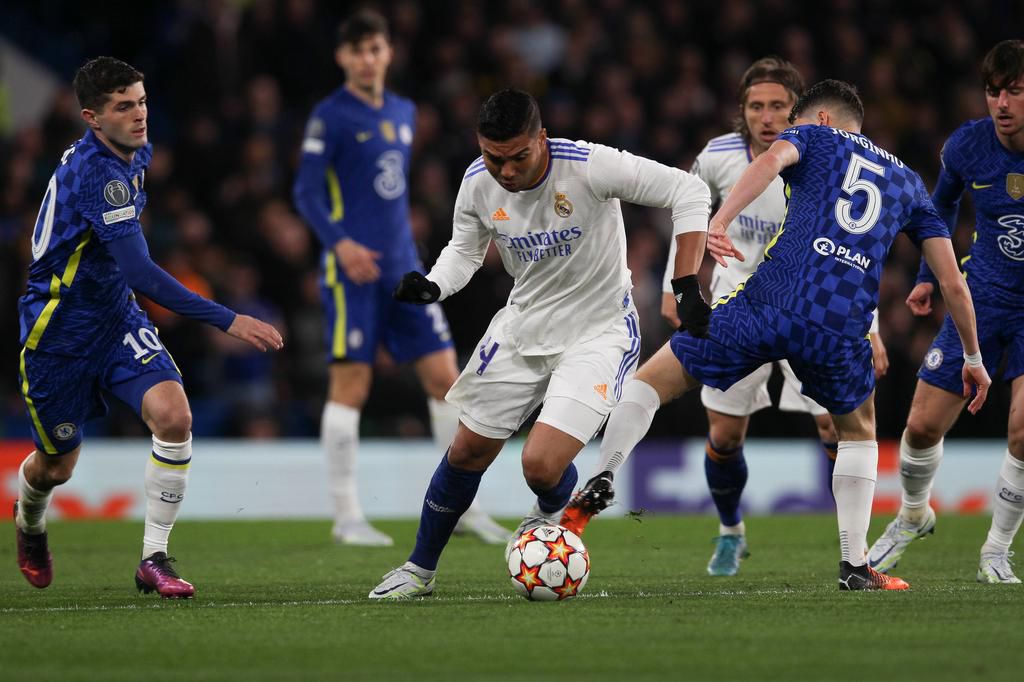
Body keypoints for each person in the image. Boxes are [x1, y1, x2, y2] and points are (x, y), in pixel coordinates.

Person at [564, 79, 991, 591]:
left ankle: (605, 471)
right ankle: (855, 567)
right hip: (839, 325)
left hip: (770, 302)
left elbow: (768, 161)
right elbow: (952, 285)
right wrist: (972, 356)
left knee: (653, 381)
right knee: (858, 431)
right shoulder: (908, 181)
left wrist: (717, 222)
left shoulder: (813, 137)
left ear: (822, 120)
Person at [367, 87, 712, 599]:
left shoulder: (591, 165)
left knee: (540, 466)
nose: (505, 172)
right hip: (523, 325)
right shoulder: (477, 183)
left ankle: (547, 517)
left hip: (598, 332)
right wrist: (436, 284)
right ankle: (419, 570)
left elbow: (690, 191)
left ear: (542, 139)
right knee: (466, 451)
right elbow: (464, 250)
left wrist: (683, 284)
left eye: (518, 157)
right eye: (493, 158)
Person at [13, 57, 283, 598]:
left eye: (141, 101)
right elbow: (142, 273)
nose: (139, 115)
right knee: (56, 468)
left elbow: (125, 268)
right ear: (92, 117)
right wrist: (230, 319)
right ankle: (30, 523)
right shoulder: (98, 175)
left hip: (115, 319)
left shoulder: (137, 152)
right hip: (58, 331)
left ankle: (153, 558)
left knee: (174, 415)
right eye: (123, 106)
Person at [654, 57, 886, 577]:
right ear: (742, 111)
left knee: (835, 424)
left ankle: (852, 549)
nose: (766, 116)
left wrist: (869, 327)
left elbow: (855, 250)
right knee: (725, 436)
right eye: (756, 106)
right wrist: (680, 281)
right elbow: (687, 213)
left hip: (811, 308)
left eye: (778, 105)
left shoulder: (827, 162)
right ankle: (731, 532)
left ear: (799, 110)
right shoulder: (716, 157)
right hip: (739, 307)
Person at [292, 10, 507, 547]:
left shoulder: (405, 111)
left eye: (376, 48)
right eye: (357, 50)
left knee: (447, 382)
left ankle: (462, 507)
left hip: (404, 272)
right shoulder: (330, 116)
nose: (368, 58)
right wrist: (340, 244)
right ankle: (346, 517)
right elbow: (307, 193)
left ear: (389, 53)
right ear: (343, 57)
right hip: (351, 274)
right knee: (352, 386)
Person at [867, 40, 1024, 584]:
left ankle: (996, 550)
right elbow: (942, 205)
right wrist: (930, 276)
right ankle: (912, 514)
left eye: (1015, 92)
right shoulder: (968, 146)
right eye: (993, 91)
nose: (1002, 103)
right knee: (921, 425)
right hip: (980, 299)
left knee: (1023, 433)